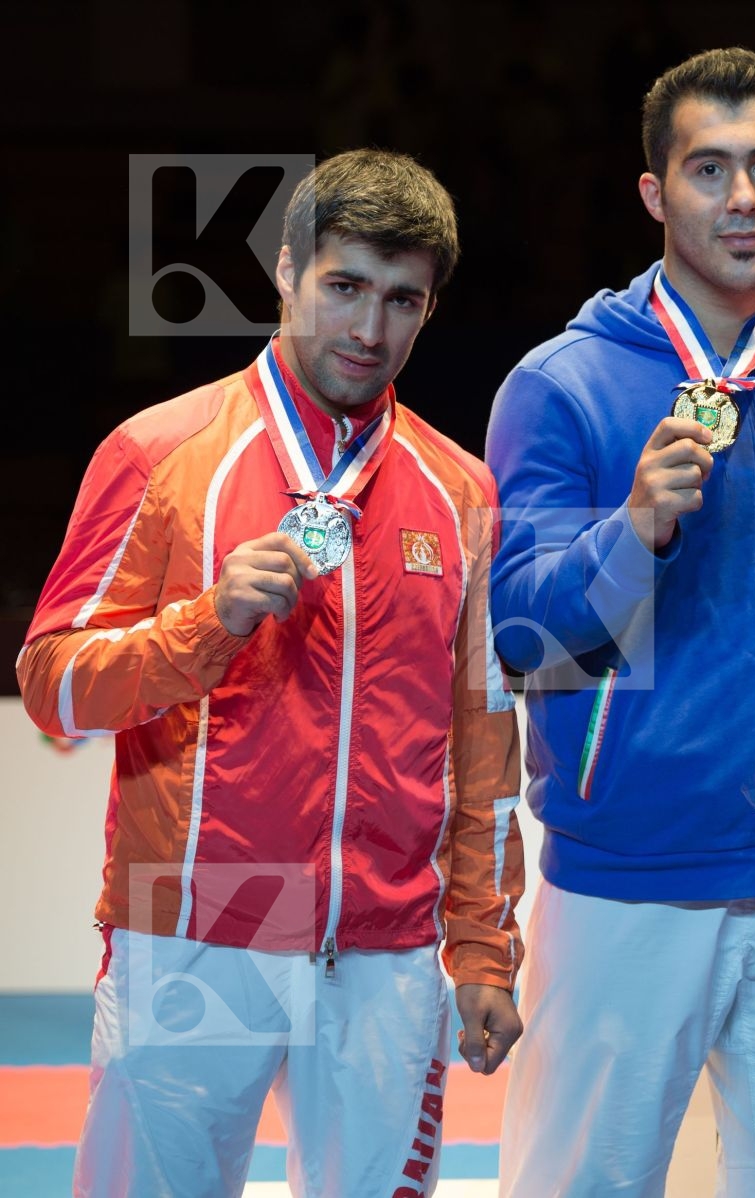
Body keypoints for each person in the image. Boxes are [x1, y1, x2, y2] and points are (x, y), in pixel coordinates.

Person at [18, 149, 525, 1197]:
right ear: (287, 271)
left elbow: (481, 744)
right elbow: (53, 686)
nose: (369, 328)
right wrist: (207, 623)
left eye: (402, 300)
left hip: (386, 948)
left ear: (430, 309)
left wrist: (483, 945)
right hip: (194, 931)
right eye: (344, 286)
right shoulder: (159, 453)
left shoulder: (462, 491)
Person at [487, 47, 755, 1197]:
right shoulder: (561, 384)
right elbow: (519, 640)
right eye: (709, 170)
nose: (743, 197)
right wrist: (633, 533)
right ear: (655, 193)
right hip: (629, 882)